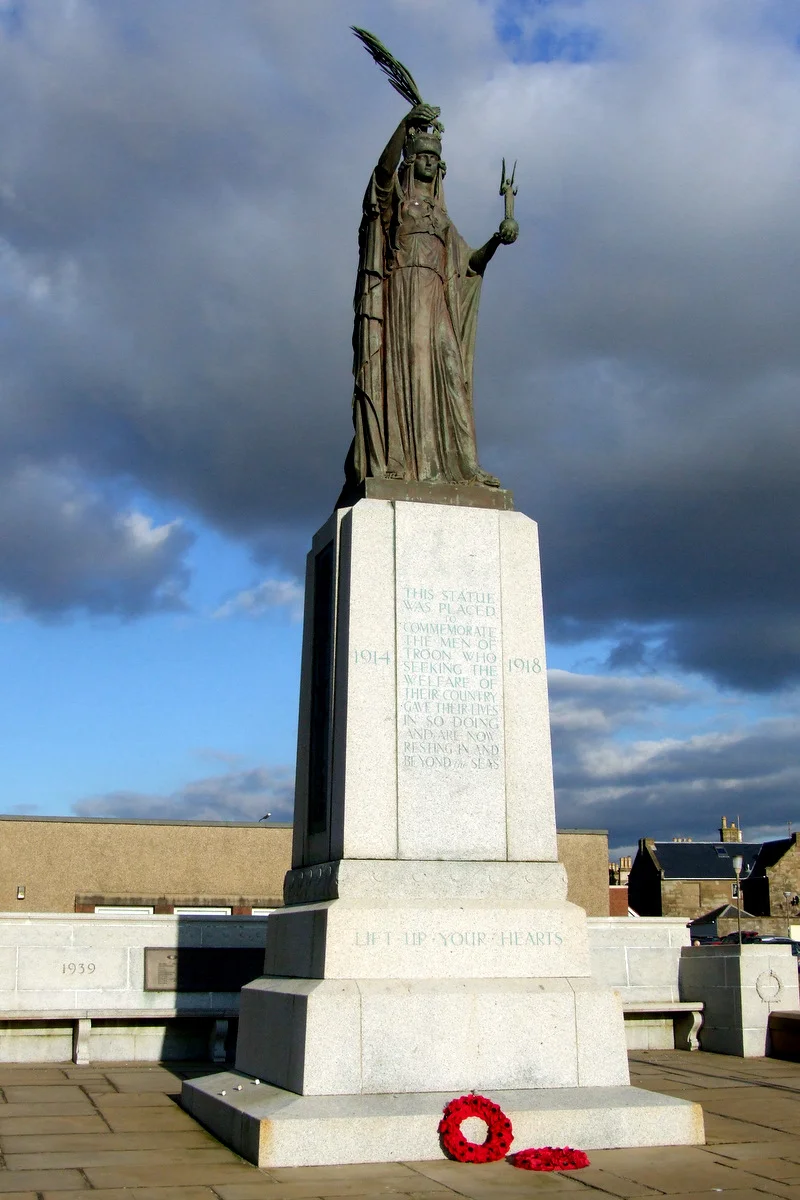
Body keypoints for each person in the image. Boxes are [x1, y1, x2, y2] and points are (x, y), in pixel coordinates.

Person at [344, 103, 518, 492]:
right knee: (404, 374)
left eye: (432, 158)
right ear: (411, 161)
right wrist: (405, 122)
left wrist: (497, 237)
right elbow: (382, 175)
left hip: (437, 302)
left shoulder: (443, 220)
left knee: (451, 377)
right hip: (402, 302)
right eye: (420, 155)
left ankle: (462, 466)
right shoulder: (396, 206)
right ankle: (400, 462)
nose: (426, 162)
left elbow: (468, 265)